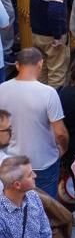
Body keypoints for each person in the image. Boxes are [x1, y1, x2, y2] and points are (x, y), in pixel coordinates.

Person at [0, 49, 67, 198]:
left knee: (15, 207)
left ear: (17, 65)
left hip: (10, 161)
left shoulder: (1, 89)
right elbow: (60, 132)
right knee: (47, 209)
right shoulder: (48, 93)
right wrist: (62, 149)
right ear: (40, 64)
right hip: (43, 162)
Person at [28, 0, 68, 88]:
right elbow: (54, 11)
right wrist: (57, 36)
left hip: (36, 32)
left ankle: (40, 103)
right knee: (56, 72)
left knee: (41, 70)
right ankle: (53, 105)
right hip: (51, 36)